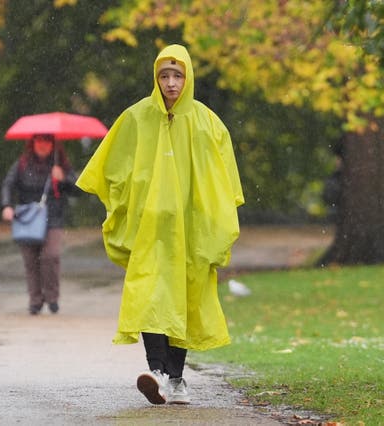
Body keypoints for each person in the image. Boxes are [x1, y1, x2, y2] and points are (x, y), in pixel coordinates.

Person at [76, 44, 244, 405]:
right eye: (164, 75)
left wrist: (217, 222)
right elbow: (112, 165)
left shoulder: (207, 123)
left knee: (184, 299)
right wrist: (124, 204)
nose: (171, 83)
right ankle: (158, 372)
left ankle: (177, 378)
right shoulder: (137, 119)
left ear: (189, 78)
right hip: (150, 230)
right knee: (151, 294)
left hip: (191, 230)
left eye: (177, 75)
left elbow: (224, 181)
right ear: (155, 78)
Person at [1, 134, 79, 315]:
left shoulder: (61, 165)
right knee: (30, 259)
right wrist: (6, 206)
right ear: (32, 143)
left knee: (50, 256)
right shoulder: (21, 164)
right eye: (39, 141)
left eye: (47, 141)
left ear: (53, 144)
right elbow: (8, 184)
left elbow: (78, 189)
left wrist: (63, 179)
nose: (42, 145)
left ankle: (52, 297)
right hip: (27, 219)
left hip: (53, 218)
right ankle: (35, 299)